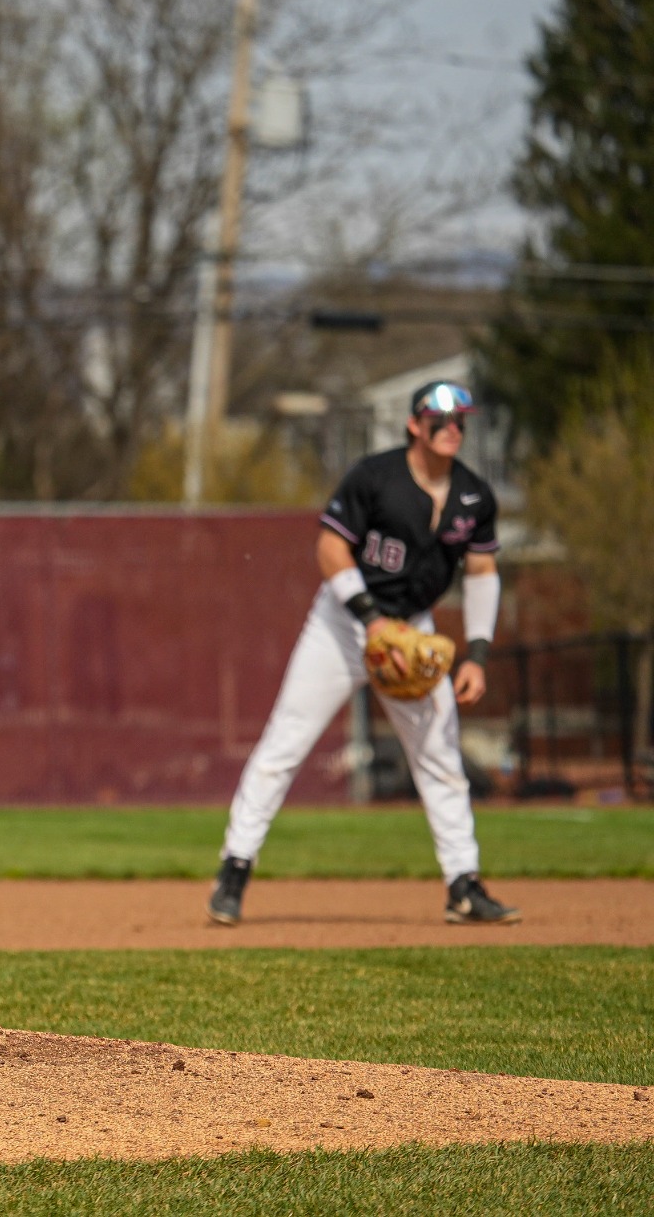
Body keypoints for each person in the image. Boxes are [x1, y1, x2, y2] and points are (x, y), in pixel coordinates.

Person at [209, 380, 520, 926]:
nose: (452, 429)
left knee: (442, 756)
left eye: (459, 421)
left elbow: (482, 572)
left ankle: (463, 885)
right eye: (439, 419)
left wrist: (476, 653)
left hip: (413, 630)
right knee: (285, 743)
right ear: (413, 425)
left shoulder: (474, 496)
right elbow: (330, 549)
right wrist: (372, 621)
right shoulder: (374, 477)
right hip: (342, 624)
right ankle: (234, 869)